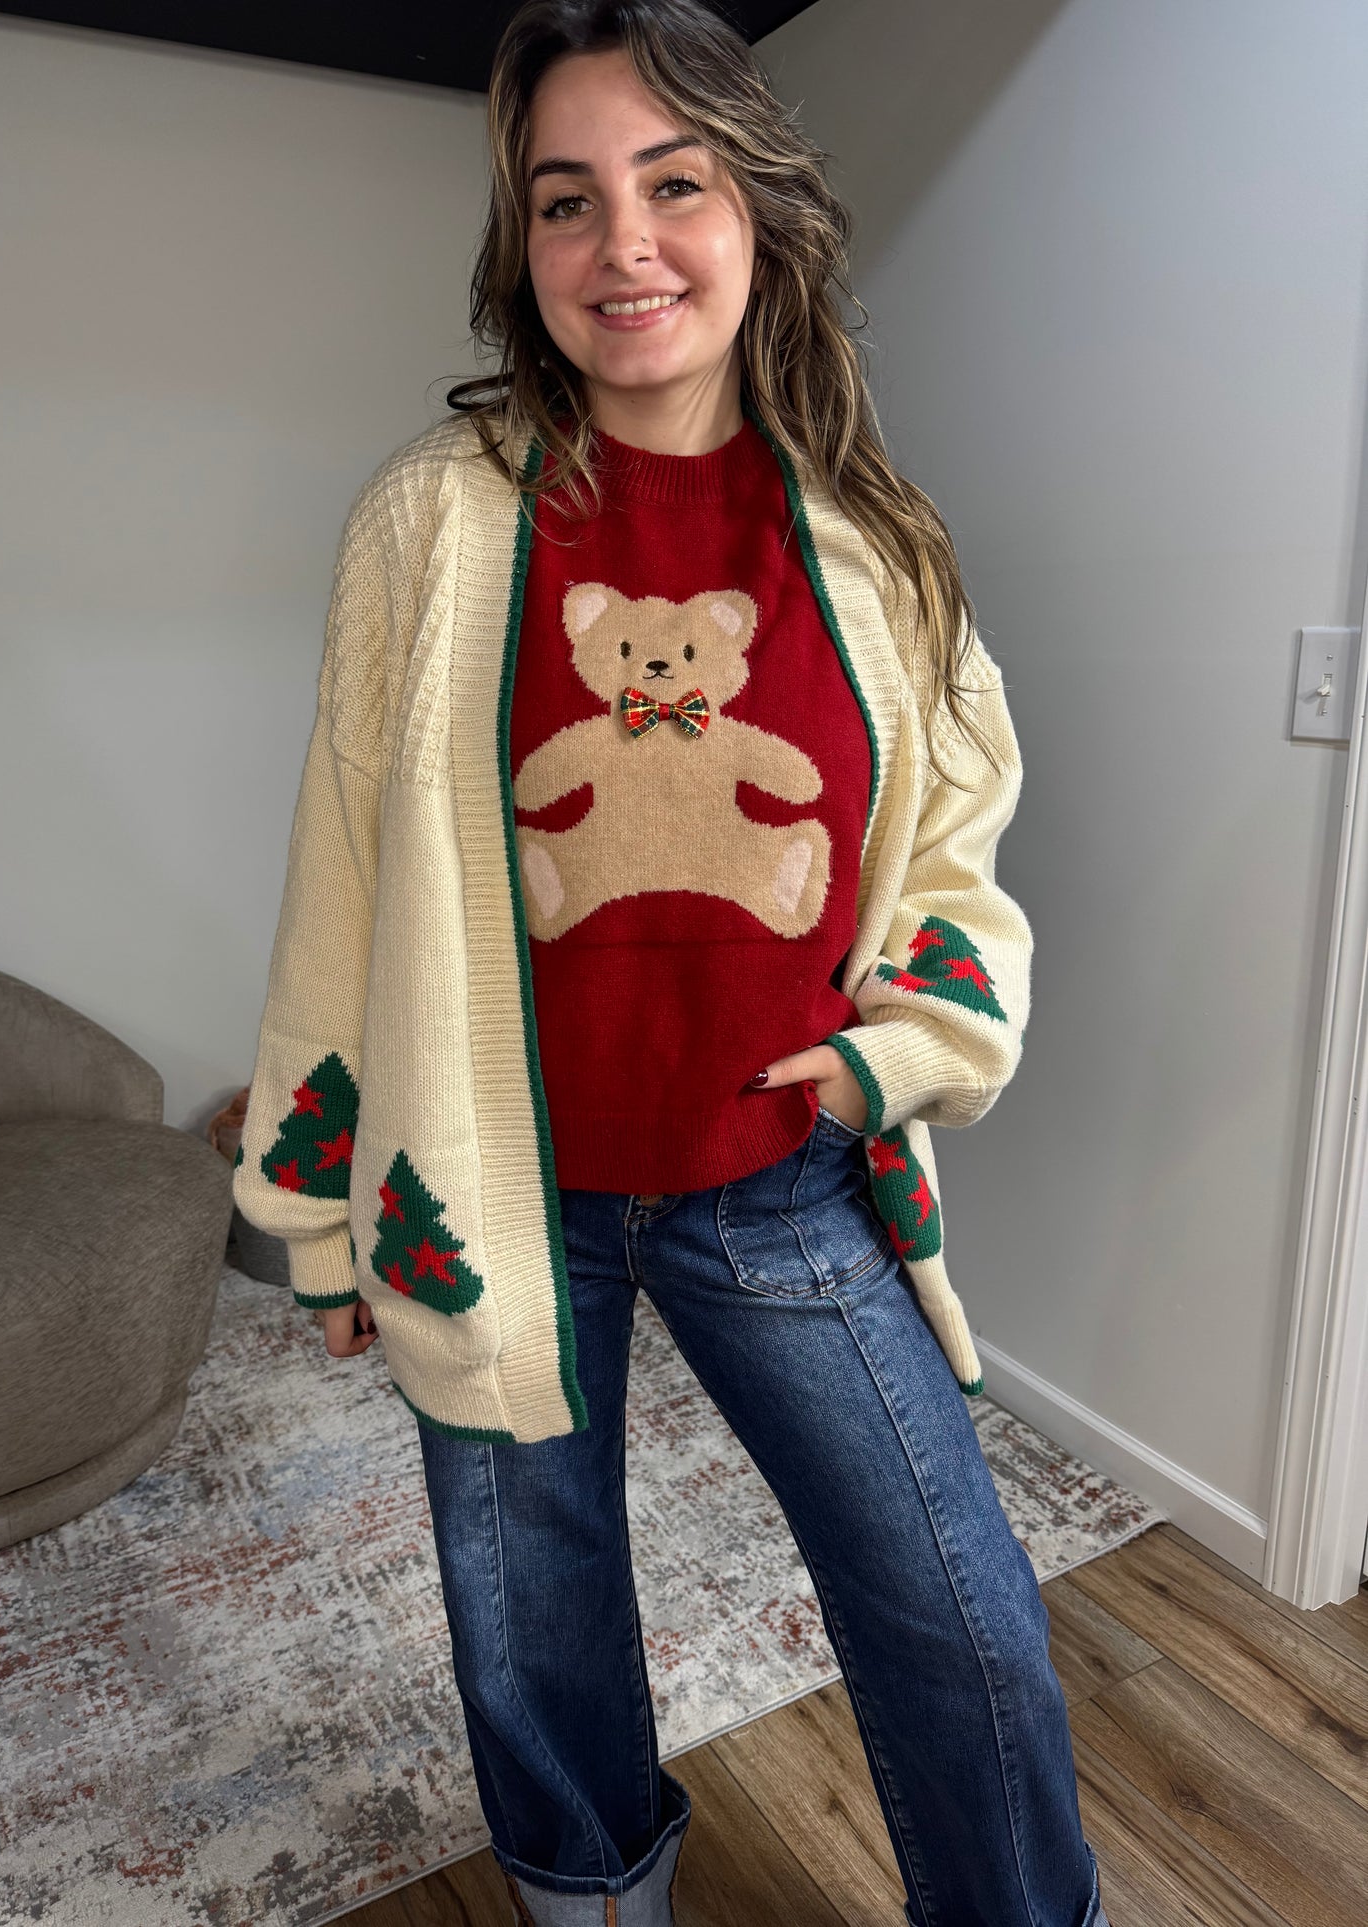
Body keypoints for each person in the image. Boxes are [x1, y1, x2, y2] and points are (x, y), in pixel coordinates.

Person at [233, 2, 1112, 1922]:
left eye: (673, 182)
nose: (620, 241)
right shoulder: (427, 528)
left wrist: (901, 1052)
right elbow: (345, 870)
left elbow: (956, 845)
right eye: (566, 200)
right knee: (530, 1648)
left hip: (780, 1186)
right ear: (520, 250)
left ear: (759, 215)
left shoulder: (880, 548)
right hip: (494, 1194)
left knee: (962, 1627)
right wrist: (320, 1212)